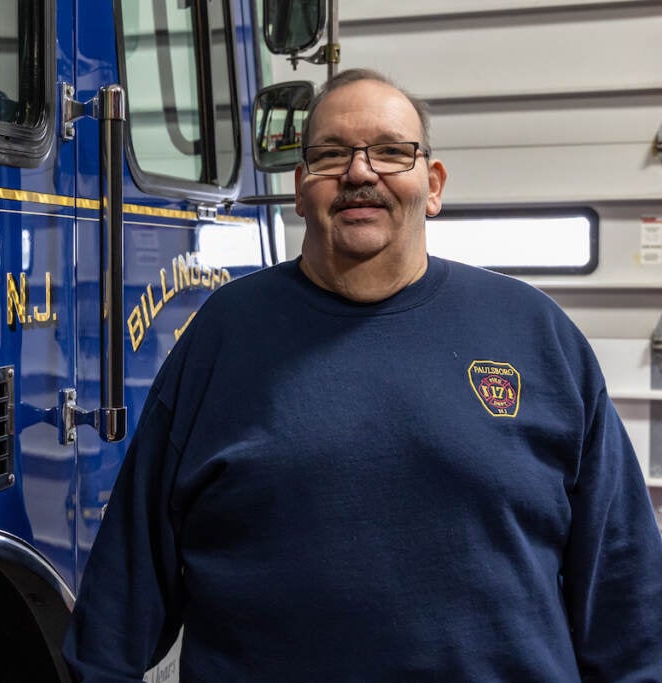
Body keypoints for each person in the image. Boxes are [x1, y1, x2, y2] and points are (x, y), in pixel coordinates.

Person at [63, 68, 662, 681]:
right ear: (301, 189)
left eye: (390, 152)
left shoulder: (535, 334)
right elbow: (123, 593)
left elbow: (624, 583)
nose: (358, 172)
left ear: (432, 185)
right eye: (330, 154)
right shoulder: (223, 336)